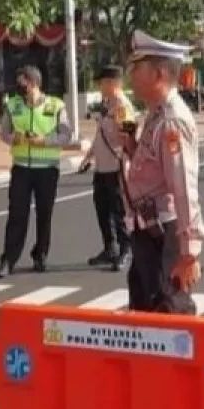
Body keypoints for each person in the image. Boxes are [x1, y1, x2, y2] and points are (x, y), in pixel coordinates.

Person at [121, 30, 204, 313]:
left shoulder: (172, 121)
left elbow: (183, 187)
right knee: (145, 314)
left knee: (168, 315)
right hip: (147, 231)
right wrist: (132, 148)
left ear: (158, 74)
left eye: (137, 68)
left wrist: (188, 251)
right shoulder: (156, 114)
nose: (131, 75)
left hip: (163, 235)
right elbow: (155, 170)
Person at [0, 65, 73, 278]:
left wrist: (44, 141)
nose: (20, 86)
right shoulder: (13, 105)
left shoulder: (56, 106)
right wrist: (14, 139)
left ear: (34, 83)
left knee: (44, 215)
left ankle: (40, 255)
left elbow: (66, 135)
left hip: (47, 170)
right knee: (17, 214)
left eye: (23, 82)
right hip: (21, 169)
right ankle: (8, 260)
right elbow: (4, 133)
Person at [78, 65, 135, 273]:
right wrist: (89, 157)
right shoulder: (107, 104)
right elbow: (100, 134)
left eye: (102, 83)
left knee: (119, 211)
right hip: (102, 167)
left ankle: (126, 249)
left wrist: (124, 156)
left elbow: (129, 135)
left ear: (112, 83)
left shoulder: (121, 106)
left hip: (116, 167)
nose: (100, 87)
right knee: (102, 209)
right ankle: (110, 248)